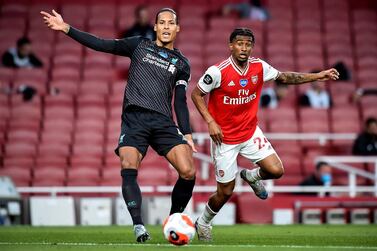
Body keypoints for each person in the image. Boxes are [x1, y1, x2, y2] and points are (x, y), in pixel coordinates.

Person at [41, 8, 196, 243]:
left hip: (163, 121)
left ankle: (174, 219)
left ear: (177, 28)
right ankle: (138, 226)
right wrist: (67, 29)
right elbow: (103, 44)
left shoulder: (182, 63)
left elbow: (181, 100)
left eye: (170, 23)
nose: (166, 27)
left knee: (188, 171)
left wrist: (187, 132)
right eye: (161, 23)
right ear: (155, 27)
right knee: (128, 164)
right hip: (135, 119)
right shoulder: (139, 45)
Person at [191, 28, 339, 241]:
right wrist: (211, 122)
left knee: (276, 170)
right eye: (239, 44)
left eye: (248, 44)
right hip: (224, 139)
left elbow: (285, 77)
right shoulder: (217, 71)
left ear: (252, 47)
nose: (244, 48)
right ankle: (203, 222)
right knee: (225, 192)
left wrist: (318, 75)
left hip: (250, 132)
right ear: (230, 46)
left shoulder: (259, 66)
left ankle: (251, 176)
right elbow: (196, 94)